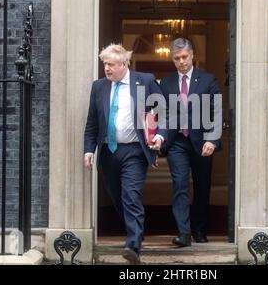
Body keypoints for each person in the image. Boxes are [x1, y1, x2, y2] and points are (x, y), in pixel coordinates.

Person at [84, 43, 166, 264]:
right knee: (117, 196)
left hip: (134, 151)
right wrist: (89, 150)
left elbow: (163, 111)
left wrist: (160, 136)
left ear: (123, 64)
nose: (107, 69)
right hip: (109, 152)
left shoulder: (145, 81)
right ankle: (136, 230)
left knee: (131, 195)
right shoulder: (99, 87)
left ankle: (133, 244)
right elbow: (92, 123)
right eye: (104, 64)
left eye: (110, 64)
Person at [160, 38, 222, 247]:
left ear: (192, 55)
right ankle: (184, 233)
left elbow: (216, 111)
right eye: (177, 58)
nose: (181, 62)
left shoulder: (208, 80)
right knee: (180, 185)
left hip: (202, 141)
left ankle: (199, 229)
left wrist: (212, 139)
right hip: (177, 142)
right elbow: (161, 113)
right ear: (172, 59)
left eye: (184, 57)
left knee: (202, 186)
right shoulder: (166, 83)